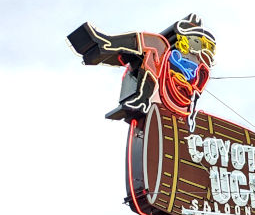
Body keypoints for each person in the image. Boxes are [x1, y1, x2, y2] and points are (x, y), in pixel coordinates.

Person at [66, 14, 215, 130]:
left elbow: (192, 97)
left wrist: (191, 118)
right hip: (165, 91)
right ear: (184, 40)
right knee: (156, 49)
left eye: (207, 47)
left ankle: (107, 43)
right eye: (197, 43)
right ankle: (106, 46)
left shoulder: (201, 72)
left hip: (178, 101)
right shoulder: (172, 57)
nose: (200, 51)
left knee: (159, 45)